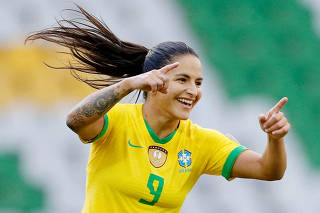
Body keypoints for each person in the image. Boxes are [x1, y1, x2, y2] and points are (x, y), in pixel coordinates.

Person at [26, 5, 290, 213]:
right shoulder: (118, 121)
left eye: (198, 82)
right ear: (153, 82)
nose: (193, 90)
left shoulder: (201, 143)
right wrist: (127, 85)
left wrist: (275, 139)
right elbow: (75, 120)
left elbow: (269, 170)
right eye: (182, 79)